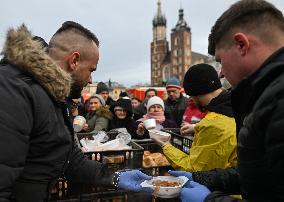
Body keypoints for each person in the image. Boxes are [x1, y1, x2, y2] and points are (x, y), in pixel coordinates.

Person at [0, 22, 151, 202]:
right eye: (91, 70)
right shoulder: (13, 90)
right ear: (74, 60)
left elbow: (69, 158)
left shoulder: (51, 94)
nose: (90, 79)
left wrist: (114, 177)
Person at [171, 0, 284, 201]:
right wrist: (203, 178)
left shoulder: (277, 101)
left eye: (220, 60)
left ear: (242, 45)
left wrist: (209, 200)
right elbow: (259, 176)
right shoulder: (265, 96)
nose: (221, 73)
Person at [151, 64, 237, 172]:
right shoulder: (235, 106)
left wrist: (166, 145)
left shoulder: (213, 125)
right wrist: (196, 127)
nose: (191, 100)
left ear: (196, 94)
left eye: (191, 96)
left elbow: (194, 169)